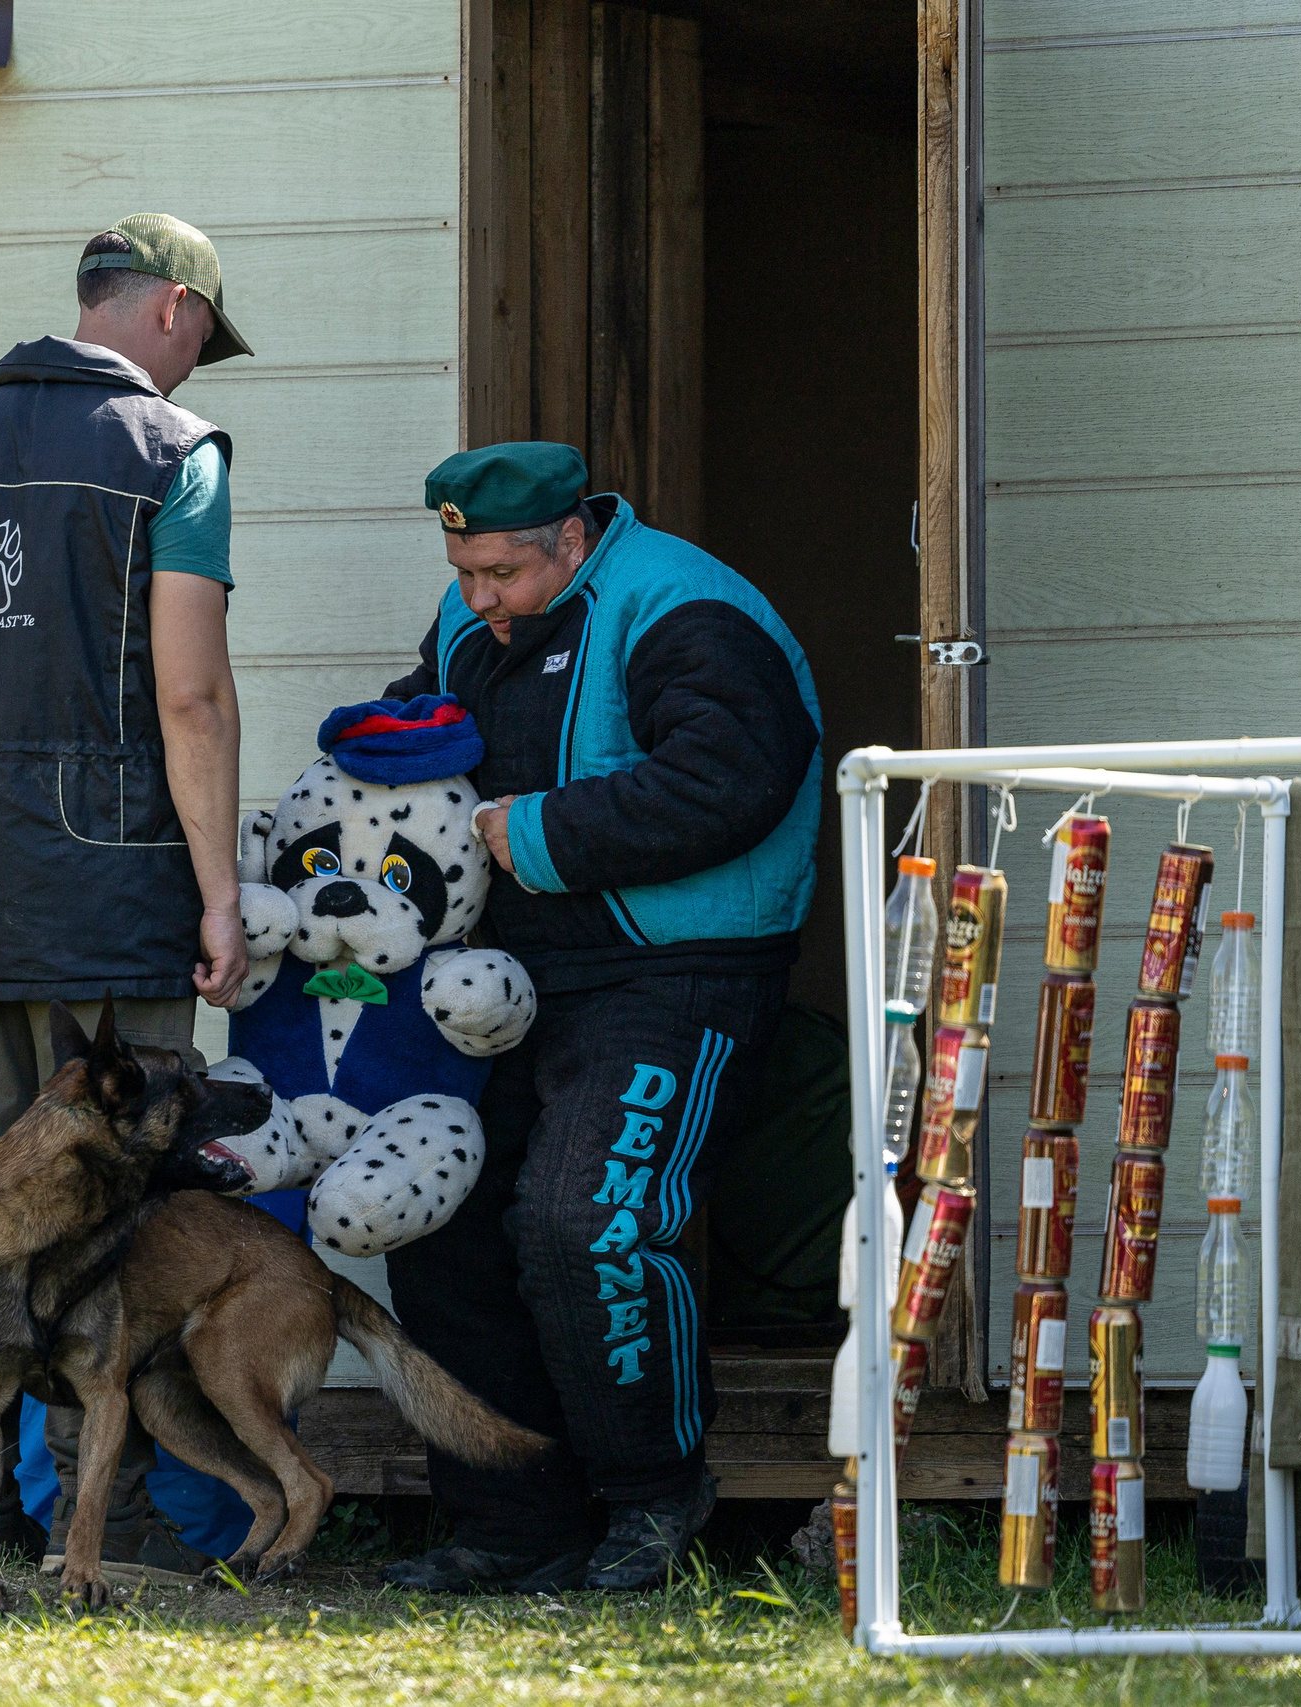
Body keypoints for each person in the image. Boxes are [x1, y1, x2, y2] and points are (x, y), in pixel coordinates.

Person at [0, 213, 256, 1582]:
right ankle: (120, 1522)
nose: (203, 351)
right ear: (166, 310)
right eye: (205, 325)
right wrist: (220, 891)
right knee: (125, 1193)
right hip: (117, 883)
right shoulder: (177, 453)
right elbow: (190, 692)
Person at [374, 442, 824, 1592]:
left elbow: (729, 779)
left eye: (503, 575)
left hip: (677, 971)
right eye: (461, 570)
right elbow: (421, 731)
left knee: (586, 1224)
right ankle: (506, 1524)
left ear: (571, 540)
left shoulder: (686, 605)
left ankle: (652, 1499)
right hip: (510, 976)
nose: (478, 600)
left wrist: (528, 835)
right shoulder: (475, 614)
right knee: (438, 1223)